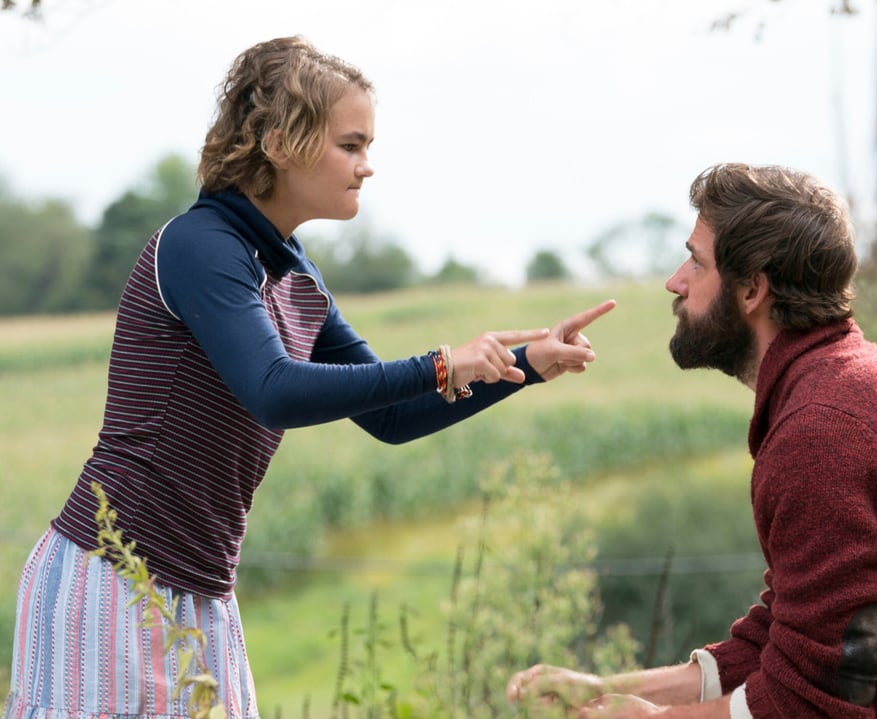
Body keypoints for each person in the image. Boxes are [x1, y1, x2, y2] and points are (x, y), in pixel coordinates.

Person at [2, 36, 615, 719]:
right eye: (350, 145)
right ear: (278, 141)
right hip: (113, 578)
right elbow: (274, 387)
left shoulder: (294, 272)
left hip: (201, 588)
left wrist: (525, 366)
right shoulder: (200, 245)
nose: (367, 167)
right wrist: (444, 361)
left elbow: (389, 413)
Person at [507, 162, 877, 718]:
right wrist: (602, 690)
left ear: (752, 288)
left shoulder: (826, 430)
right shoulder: (849, 383)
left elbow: (814, 701)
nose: (675, 282)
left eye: (696, 262)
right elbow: (787, 640)